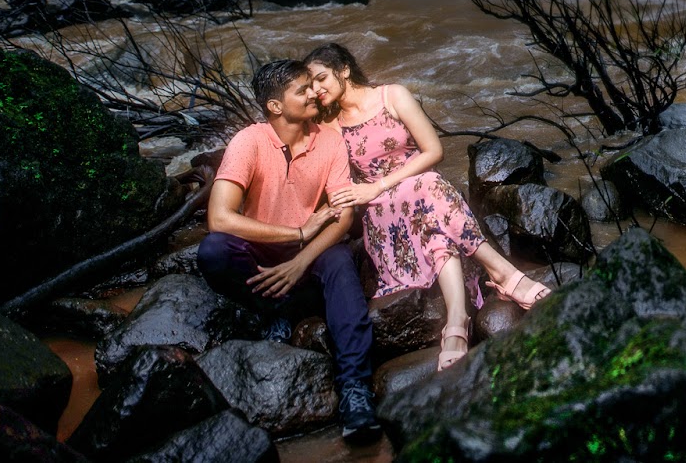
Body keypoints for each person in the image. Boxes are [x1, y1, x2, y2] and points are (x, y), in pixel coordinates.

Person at [305, 42, 550, 371]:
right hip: (383, 212)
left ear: (344, 70)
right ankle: (503, 274)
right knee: (429, 190)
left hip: (418, 189)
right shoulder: (331, 127)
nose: (317, 89)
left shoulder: (392, 96)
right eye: (311, 85)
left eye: (321, 78)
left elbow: (433, 151)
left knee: (427, 191)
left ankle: (457, 321)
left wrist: (379, 183)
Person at [196, 59, 380, 441]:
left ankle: (354, 389)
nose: (314, 92)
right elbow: (220, 218)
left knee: (341, 262)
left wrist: (300, 259)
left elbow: (342, 218)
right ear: (275, 106)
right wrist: (296, 233)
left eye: (312, 86)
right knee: (214, 250)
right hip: (263, 254)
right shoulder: (249, 141)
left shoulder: (329, 139)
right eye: (302, 89)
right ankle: (272, 311)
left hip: (310, 257)